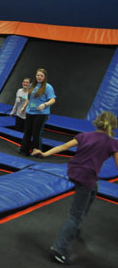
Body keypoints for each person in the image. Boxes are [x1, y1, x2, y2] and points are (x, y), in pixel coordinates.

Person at [31, 111, 118, 265]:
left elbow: (64, 146)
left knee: (93, 191)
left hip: (73, 171)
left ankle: (75, 226)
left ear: (97, 122)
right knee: (75, 216)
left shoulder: (84, 135)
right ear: (113, 126)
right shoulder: (112, 142)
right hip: (86, 177)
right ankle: (59, 249)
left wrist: (44, 153)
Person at [19, 68, 56, 155]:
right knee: (27, 131)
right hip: (30, 112)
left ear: (44, 77)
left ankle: (37, 151)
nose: (39, 77)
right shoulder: (32, 85)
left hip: (41, 114)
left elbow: (53, 100)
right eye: (38, 75)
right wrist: (24, 107)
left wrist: (45, 104)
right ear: (35, 76)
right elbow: (29, 99)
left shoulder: (48, 87)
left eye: (41, 76)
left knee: (36, 133)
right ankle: (24, 150)